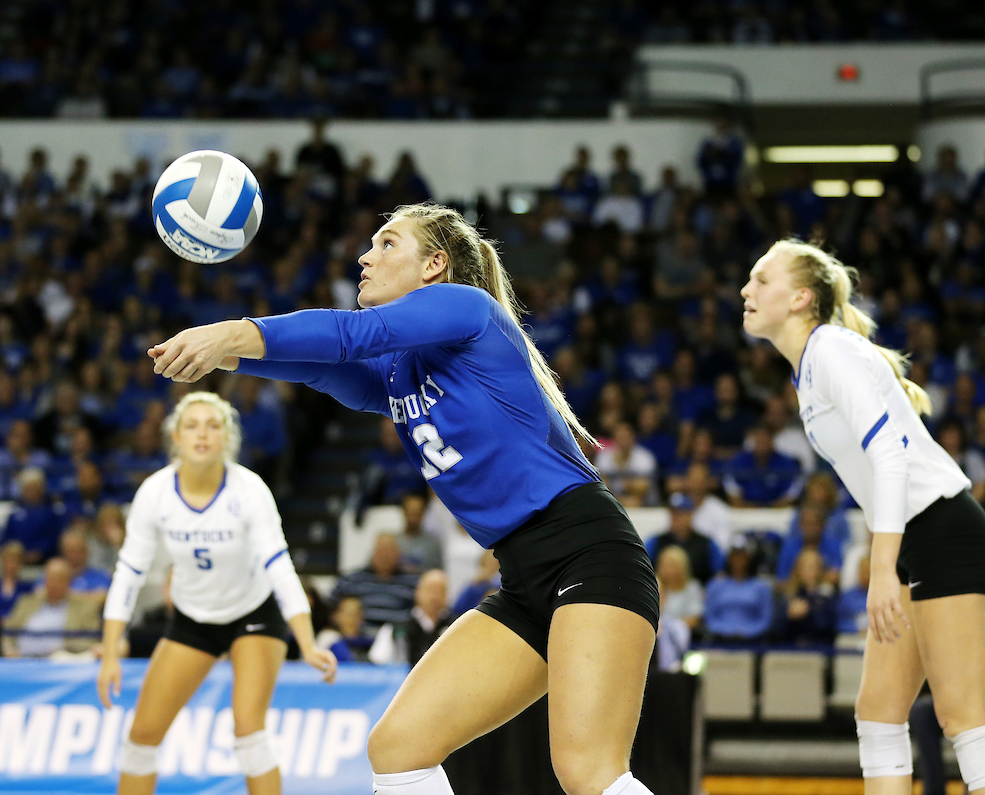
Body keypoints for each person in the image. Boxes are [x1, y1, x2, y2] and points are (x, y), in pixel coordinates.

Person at [149, 203, 660, 795]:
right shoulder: (400, 370)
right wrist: (225, 355)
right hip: (523, 579)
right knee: (398, 749)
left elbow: (346, 337)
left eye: (388, 244)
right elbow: (321, 369)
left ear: (435, 265)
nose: (366, 257)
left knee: (588, 773)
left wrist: (231, 331)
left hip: (588, 554)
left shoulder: (471, 309)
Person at [742, 239, 985, 794]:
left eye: (760, 280)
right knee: (878, 713)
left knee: (963, 717)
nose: (745, 290)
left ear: (801, 297)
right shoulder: (811, 365)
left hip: (944, 531)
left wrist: (882, 570)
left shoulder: (829, 349)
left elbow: (891, 455)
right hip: (914, 536)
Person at [96, 392, 337, 795]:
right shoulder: (155, 493)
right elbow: (128, 574)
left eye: (213, 425)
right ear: (175, 436)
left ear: (227, 437)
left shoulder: (249, 489)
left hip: (254, 615)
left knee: (249, 731)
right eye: (192, 425)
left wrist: (307, 643)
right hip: (193, 619)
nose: (202, 434)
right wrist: (108, 653)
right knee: (140, 738)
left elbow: (280, 566)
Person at [1, 557, 100, 658]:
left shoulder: (84, 608)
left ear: (68, 581)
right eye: (50, 578)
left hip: (62, 663)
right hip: (21, 660)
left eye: (59, 578)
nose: (54, 583)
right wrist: (9, 649)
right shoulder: (26, 603)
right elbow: (8, 632)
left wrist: (65, 649)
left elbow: (91, 640)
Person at [332, 533, 420, 631]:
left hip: (398, 636)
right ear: (372, 552)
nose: (385, 556)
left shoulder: (412, 583)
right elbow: (332, 607)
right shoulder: (351, 580)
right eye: (381, 550)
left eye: (389, 551)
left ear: (399, 553)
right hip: (358, 636)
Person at [703, 540, 774, 643]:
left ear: (749, 559)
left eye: (742, 556)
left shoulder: (760, 586)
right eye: (734, 556)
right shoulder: (715, 585)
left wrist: (749, 632)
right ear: (729, 559)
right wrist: (725, 631)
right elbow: (709, 617)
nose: (738, 560)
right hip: (720, 640)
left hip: (752, 641)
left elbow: (765, 619)